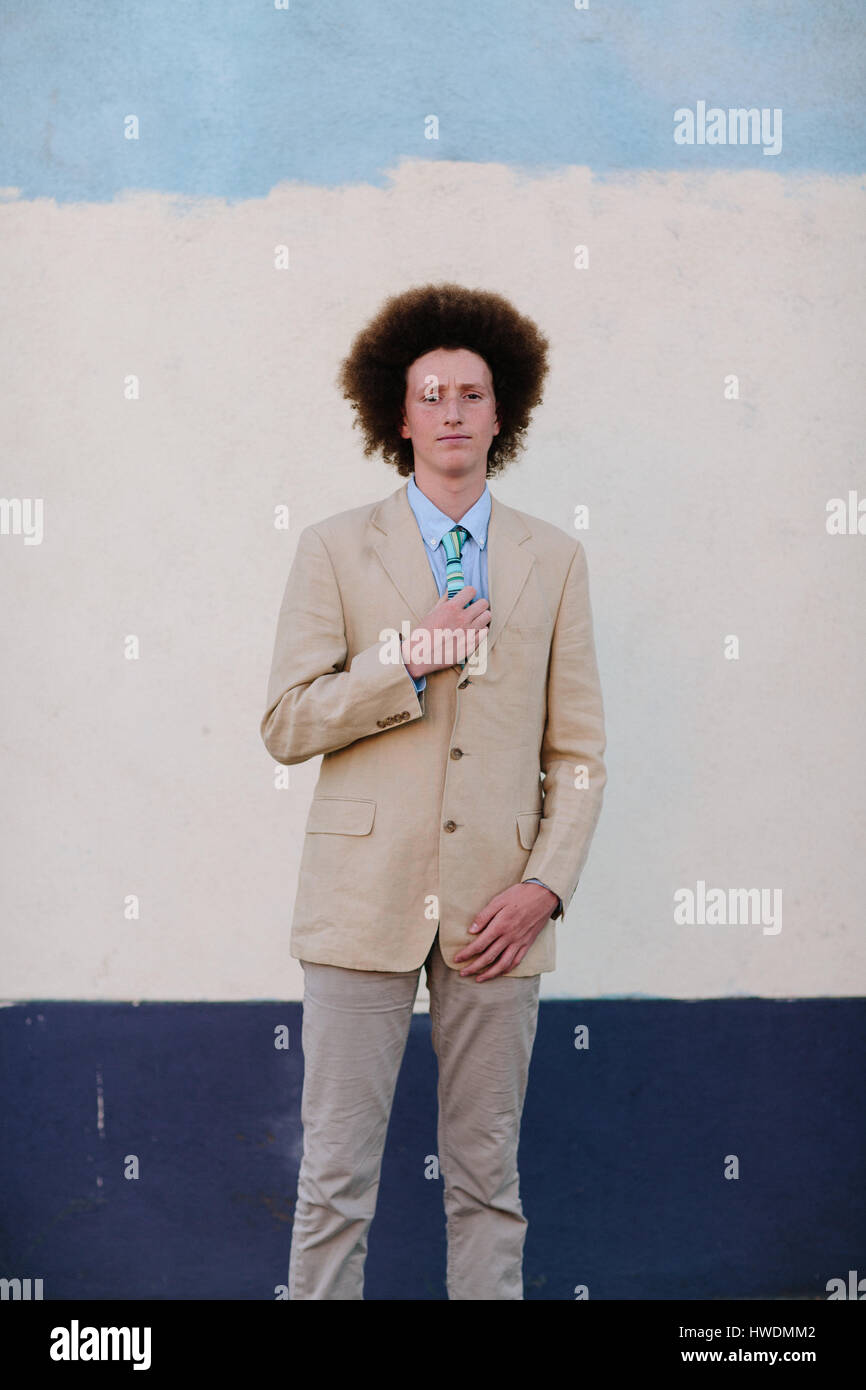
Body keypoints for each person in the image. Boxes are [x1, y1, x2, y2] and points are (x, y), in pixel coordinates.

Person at [260, 281, 607, 1300]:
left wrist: (542, 885)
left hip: (497, 911)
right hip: (358, 903)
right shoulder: (331, 546)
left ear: (503, 414)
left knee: (486, 1180)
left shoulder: (555, 558)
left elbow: (578, 751)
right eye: (431, 394)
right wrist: (403, 661)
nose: (451, 411)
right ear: (396, 415)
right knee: (332, 1180)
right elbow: (286, 722)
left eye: (471, 393)